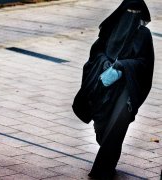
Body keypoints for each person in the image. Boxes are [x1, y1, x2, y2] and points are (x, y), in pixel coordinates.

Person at [72, 0, 155, 179]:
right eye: (129, 11)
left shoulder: (144, 35)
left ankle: (103, 170)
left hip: (126, 90)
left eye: (136, 11)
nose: (132, 15)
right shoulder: (111, 28)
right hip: (103, 89)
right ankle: (108, 158)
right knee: (103, 131)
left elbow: (145, 64)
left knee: (116, 128)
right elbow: (96, 53)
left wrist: (122, 66)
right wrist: (105, 64)